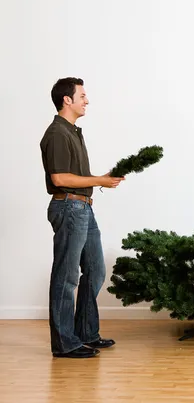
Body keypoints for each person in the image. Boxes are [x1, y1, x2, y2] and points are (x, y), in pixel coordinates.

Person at [40, 77, 125, 358]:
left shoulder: (73, 132)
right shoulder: (57, 133)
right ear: (67, 99)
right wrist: (99, 178)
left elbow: (74, 175)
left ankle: (86, 333)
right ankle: (65, 344)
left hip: (83, 207)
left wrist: (100, 180)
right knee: (66, 278)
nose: (87, 100)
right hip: (68, 208)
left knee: (96, 270)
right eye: (83, 95)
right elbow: (60, 177)